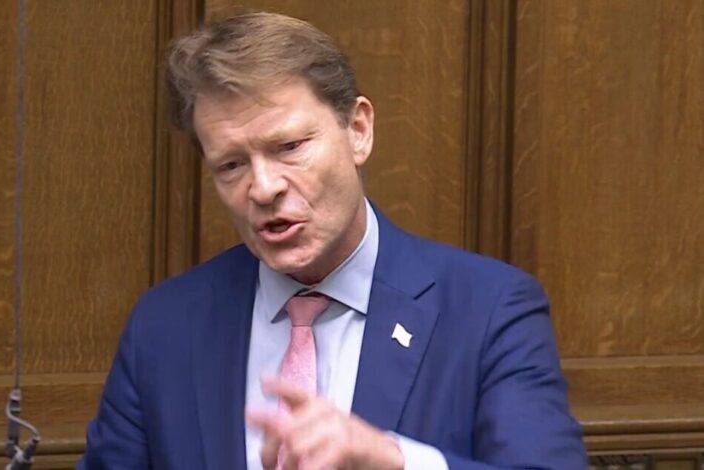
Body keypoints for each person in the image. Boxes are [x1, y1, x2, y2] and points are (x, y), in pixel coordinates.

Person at [78, 11, 586, 470]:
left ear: (358, 130)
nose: (263, 188)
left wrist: (393, 462)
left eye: (289, 147)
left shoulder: (489, 309)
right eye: (231, 165)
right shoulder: (164, 327)